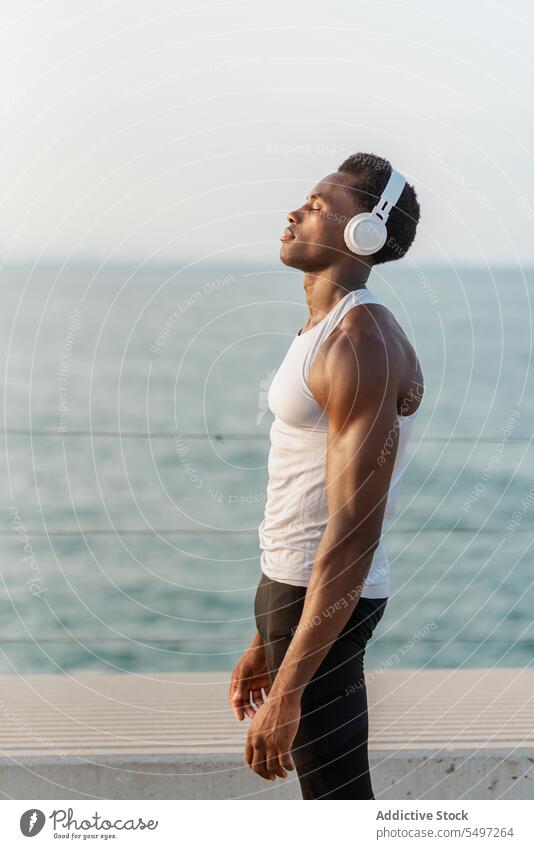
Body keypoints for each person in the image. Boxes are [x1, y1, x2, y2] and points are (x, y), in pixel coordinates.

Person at [229, 152, 424, 799]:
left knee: (339, 806)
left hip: (327, 603)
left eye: (317, 204)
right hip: (294, 591)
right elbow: (304, 488)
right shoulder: (323, 328)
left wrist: (289, 690)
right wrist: (266, 635)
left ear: (363, 230)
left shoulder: (359, 339)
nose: (295, 211)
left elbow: (353, 528)